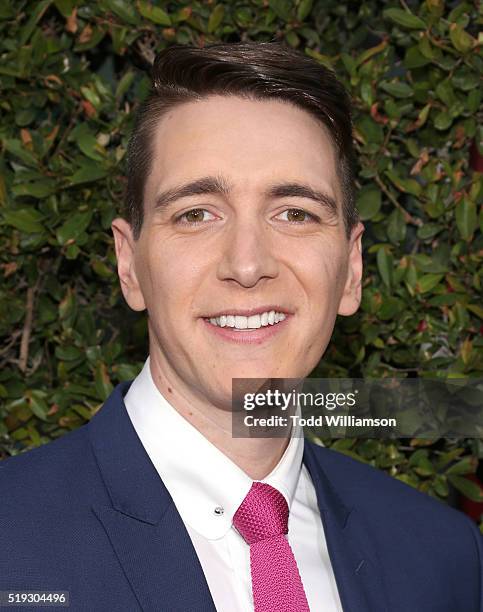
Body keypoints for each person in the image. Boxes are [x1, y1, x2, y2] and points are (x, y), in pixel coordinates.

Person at [0, 41, 481, 612]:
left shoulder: (443, 556)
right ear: (129, 265)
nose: (248, 264)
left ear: (352, 271)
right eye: (196, 214)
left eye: (295, 213)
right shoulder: (13, 543)